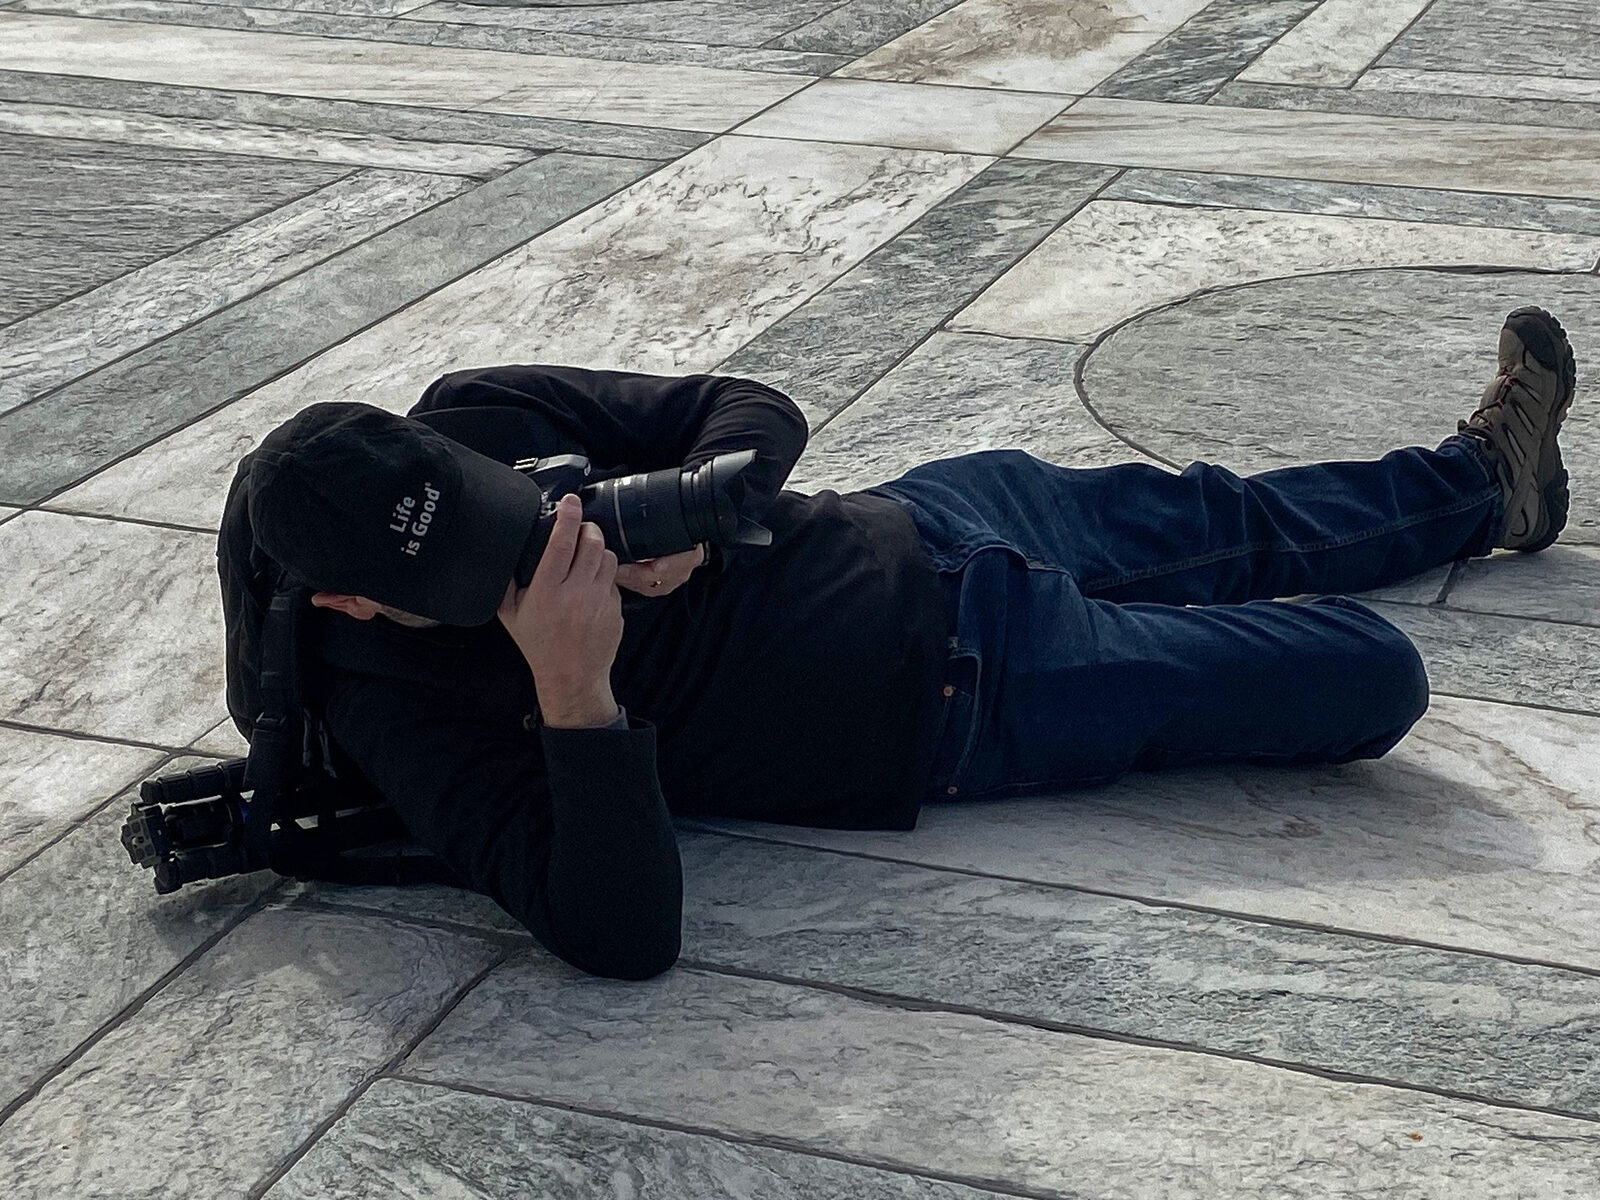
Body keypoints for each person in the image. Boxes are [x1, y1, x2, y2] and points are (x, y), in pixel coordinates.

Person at [239, 307, 1576, 980]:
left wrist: (708, 506)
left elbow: (743, 401)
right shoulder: (392, 709)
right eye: (481, 564)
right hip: (970, 694)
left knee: (1238, 515)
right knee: (1369, 674)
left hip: (932, 517)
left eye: (504, 512)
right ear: (350, 603)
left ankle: (1484, 485)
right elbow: (620, 934)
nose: (524, 541)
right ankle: (1209, 631)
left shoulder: (473, 413)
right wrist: (574, 683)